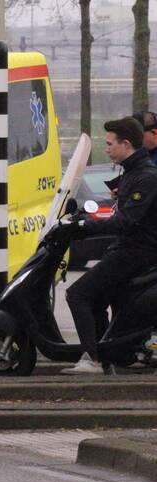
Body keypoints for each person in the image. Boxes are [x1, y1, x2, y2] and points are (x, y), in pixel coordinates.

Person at [62, 117, 157, 374]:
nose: (106, 149)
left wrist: (83, 227)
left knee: (77, 294)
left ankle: (91, 358)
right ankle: (105, 358)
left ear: (126, 144)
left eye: (109, 143)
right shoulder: (131, 173)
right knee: (96, 298)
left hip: (136, 252)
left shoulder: (145, 177)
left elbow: (125, 222)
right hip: (128, 249)